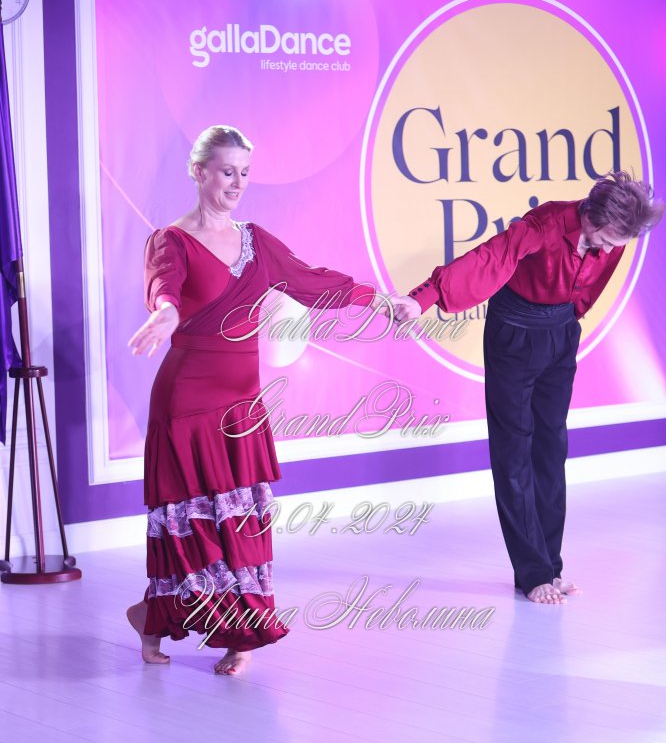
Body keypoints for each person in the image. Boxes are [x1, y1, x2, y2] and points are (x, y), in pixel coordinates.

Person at [126, 125, 380, 672]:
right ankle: (155, 620)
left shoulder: (257, 241)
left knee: (241, 523)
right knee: (189, 522)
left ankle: (240, 634)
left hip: (240, 402)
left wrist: (376, 300)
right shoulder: (170, 241)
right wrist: (165, 311)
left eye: (244, 172)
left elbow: (310, 281)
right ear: (199, 172)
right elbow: (164, 287)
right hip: (187, 398)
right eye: (226, 171)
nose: (237, 182)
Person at [387, 172, 663, 604]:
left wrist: (568, 318)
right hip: (514, 336)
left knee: (551, 450)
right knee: (514, 451)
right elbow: (488, 258)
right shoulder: (544, 225)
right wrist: (422, 298)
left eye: (618, 244)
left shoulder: (613, 238)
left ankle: (551, 566)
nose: (611, 250)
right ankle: (533, 573)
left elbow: (589, 284)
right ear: (592, 216)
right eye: (607, 240)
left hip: (560, 335)